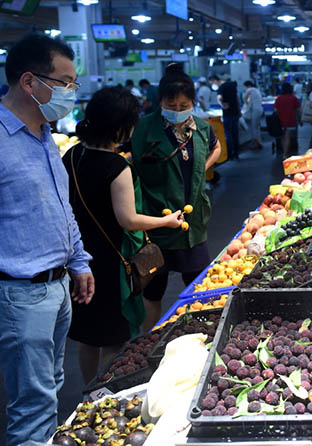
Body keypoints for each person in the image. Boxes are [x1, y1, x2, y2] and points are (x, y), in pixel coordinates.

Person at [0, 33, 94, 446]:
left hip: (57, 288)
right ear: (29, 82)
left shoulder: (45, 136)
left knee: (52, 388)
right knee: (33, 405)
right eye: (64, 82)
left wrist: (78, 260)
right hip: (21, 293)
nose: (71, 92)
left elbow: (61, 205)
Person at [64, 87, 184, 384]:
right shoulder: (117, 167)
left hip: (77, 258)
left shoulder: (72, 155)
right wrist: (165, 221)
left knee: (88, 335)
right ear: (120, 127)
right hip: (109, 262)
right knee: (114, 338)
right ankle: (105, 390)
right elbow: (128, 220)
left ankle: (87, 391)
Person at [131, 63, 221, 331]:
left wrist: (200, 169)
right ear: (161, 101)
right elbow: (133, 170)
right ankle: (148, 341)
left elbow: (215, 148)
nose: (178, 110)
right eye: (172, 104)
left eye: (184, 105)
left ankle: (201, 334)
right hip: (156, 223)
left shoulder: (202, 129)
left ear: (193, 102)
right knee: (152, 290)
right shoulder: (145, 129)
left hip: (192, 223)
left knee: (198, 285)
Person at [274, 82, 302, 159]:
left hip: (280, 120)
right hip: (290, 119)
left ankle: (284, 152)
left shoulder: (279, 98)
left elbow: (275, 110)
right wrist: (300, 120)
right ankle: (285, 153)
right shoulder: (293, 98)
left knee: (283, 136)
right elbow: (298, 110)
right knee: (288, 136)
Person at [218, 77, 241, 160]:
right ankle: (236, 153)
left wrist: (222, 104)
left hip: (227, 114)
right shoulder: (233, 87)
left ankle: (229, 154)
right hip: (235, 113)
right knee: (235, 133)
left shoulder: (222, 87)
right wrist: (239, 111)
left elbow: (219, 98)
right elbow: (237, 99)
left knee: (228, 134)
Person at [242, 80, 264, 149]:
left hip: (255, 111)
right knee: (257, 127)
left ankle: (255, 144)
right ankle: (258, 142)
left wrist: (247, 105)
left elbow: (244, 98)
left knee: (254, 127)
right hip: (259, 110)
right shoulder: (256, 90)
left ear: (247, 86)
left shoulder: (250, 89)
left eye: (244, 87)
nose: (244, 89)